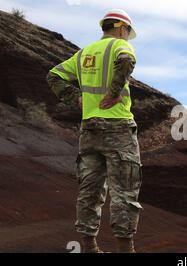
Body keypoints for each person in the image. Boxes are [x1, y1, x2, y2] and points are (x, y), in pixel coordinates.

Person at [47, 9, 141, 253]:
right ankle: (125, 249)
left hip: (89, 129)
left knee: (90, 190)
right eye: (127, 32)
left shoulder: (84, 53)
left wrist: (78, 100)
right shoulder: (120, 46)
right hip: (118, 128)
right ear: (122, 28)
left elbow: (54, 75)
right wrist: (113, 93)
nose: (127, 37)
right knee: (124, 191)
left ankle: (89, 247)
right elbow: (126, 60)